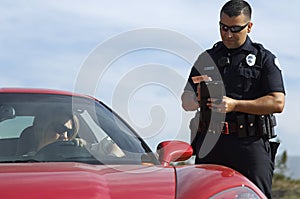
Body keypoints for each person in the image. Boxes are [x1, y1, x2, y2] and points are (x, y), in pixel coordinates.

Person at [181, 0, 285, 198]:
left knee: (257, 195)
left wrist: (235, 104)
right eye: (223, 27)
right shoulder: (207, 58)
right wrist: (195, 100)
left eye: (235, 29)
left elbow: (277, 102)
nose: (228, 34)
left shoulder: (264, 59)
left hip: (249, 144)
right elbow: (186, 98)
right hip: (211, 143)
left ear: (249, 27)